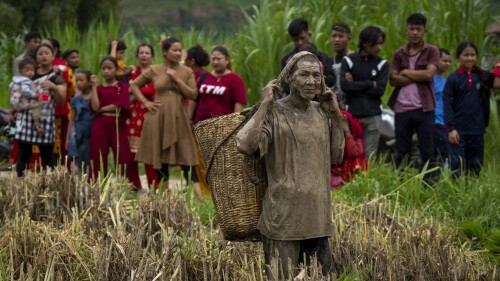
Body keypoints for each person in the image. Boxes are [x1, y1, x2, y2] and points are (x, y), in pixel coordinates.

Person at [236, 51, 344, 279]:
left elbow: (336, 157)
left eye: (316, 75)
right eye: (304, 74)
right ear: (289, 78)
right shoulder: (274, 113)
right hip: (283, 220)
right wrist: (265, 103)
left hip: (318, 219)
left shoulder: (321, 113)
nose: (311, 81)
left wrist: (335, 114)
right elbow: (244, 145)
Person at [130, 37, 199, 188]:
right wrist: (145, 102)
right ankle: (164, 193)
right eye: (174, 50)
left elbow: (193, 95)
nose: (178, 53)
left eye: (180, 50)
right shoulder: (154, 69)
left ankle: (197, 193)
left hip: (179, 114)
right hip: (158, 115)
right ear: (165, 52)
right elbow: (134, 85)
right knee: (159, 154)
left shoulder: (187, 71)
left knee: (186, 151)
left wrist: (177, 79)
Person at [188, 45, 248, 198]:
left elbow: (239, 104)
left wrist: (234, 127)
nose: (215, 62)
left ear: (227, 60)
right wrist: (188, 119)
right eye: (213, 59)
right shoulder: (204, 77)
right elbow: (194, 99)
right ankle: (205, 195)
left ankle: (223, 194)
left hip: (223, 129)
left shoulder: (235, 79)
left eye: (219, 59)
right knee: (201, 161)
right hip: (200, 126)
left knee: (221, 163)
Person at [388, 13, 440, 182]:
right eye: (412, 29)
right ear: (406, 30)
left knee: (427, 151)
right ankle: (400, 185)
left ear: (424, 31)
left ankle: (429, 185)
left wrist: (405, 72)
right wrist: (419, 74)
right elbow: (393, 79)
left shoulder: (431, 51)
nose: (415, 32)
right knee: (402, 150)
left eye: (418, 29)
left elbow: (429, 74)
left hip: (424, 108)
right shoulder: (399, 54)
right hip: (402, 109)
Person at [443, 42, 500, 177]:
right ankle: (456, 193)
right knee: (456, 164)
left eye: (472, 55)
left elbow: (497, 83)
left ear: (477, 57)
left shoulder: (482, 76)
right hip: (458, 131)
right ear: (458, 57)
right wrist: (451, 129)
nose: (469, 58)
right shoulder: (453, 78)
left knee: (475, 164)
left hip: (477, 129)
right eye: (466, 55)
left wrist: (498, 66)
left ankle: (471, 193)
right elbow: (447, 104)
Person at [14, 44, 67, 177]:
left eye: (46, 53)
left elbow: (61, 101)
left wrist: (54, 87)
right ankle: (20, 185)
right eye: (40, 54)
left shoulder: (57, 76)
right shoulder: (30, 73)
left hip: (45, 119)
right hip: (26, 117)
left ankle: (55, 187)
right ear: (36, 58)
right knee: (23, 155)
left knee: (47, 155)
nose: (43, 56)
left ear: (53, 56)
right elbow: (18, 93)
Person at [88, 56, 139, 189]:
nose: (106, 71)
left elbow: (121, 104)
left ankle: (129, 185)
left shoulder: (122, 86)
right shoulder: (98, 88)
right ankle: (96, 186)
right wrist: (93, 87)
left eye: (109, 68)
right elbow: (94, 107)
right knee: (97, 155)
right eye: (103, 68)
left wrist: (102, 108)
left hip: (118, 123)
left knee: (124, 156)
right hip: (100, 124)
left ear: (116, 70)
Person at [340, 26, 389, 158]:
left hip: (373, 116)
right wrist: (369, 83)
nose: (379, 47)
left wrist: (354, 84)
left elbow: (379, 91)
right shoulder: (349, 61)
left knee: (369, 156)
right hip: (353, 115)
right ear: (365, 43)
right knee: (352, 154)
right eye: (376, 43)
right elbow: (344, 86)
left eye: (381, 43)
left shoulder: (382, 64)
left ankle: (367, 179)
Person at [126, 44, 158, 189]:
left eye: (147, 53)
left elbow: (153, 91)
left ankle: (153, 186)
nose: (144, 55)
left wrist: (136, 92)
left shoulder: (156, 73)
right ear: (137, 56)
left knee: (149, 154)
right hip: (132, 117)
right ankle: (133, 184)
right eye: (141, 53)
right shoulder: (131, 73)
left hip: (150, 116)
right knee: (131, 153)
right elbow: (127, 95)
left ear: (152, 56)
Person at [280, 18, 335, 96]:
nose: (300, 42)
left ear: (309, 35)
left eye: (302, 38)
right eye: (296, 40)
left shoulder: (323, 57)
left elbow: (332, 79)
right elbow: (285, 85)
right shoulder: (287, 60)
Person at [66, 70, 95, 176]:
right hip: (78, 133)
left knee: (90, 159)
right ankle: (80, 185)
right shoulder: (75, 100)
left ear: (89, 82)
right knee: (79, 161)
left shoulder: (95, 97)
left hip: (92, 132)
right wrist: (68, 138)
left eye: (81, 80)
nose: (78, 83)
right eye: (76, 80)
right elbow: (72, 119)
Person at [10, 58, 45, 134]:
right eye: (27, 70)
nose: (30, 72)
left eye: (32, 70)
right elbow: (25, 91)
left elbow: (10, 86)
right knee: (37, 104)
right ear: (20, 71)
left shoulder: (16, 79)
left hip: (14, 103)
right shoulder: (26, 80)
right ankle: (37, 123)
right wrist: (34, 95)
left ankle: (10, 127)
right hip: (22, 103)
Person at [433, 48, 452, 167]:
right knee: (439, 153)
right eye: (444, 60)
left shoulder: (444, 80)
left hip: (445, 122)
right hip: (434, 121)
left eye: (449, 61)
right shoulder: (430, 79)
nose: (448, 64)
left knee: (445, 153)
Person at [330, 22, 354, 109]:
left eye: (340, 36)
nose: (336, 39)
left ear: (349, 39)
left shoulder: (355, 59)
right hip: (334, 107)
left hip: (352, 107)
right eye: (334, 36)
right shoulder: (330, 61)